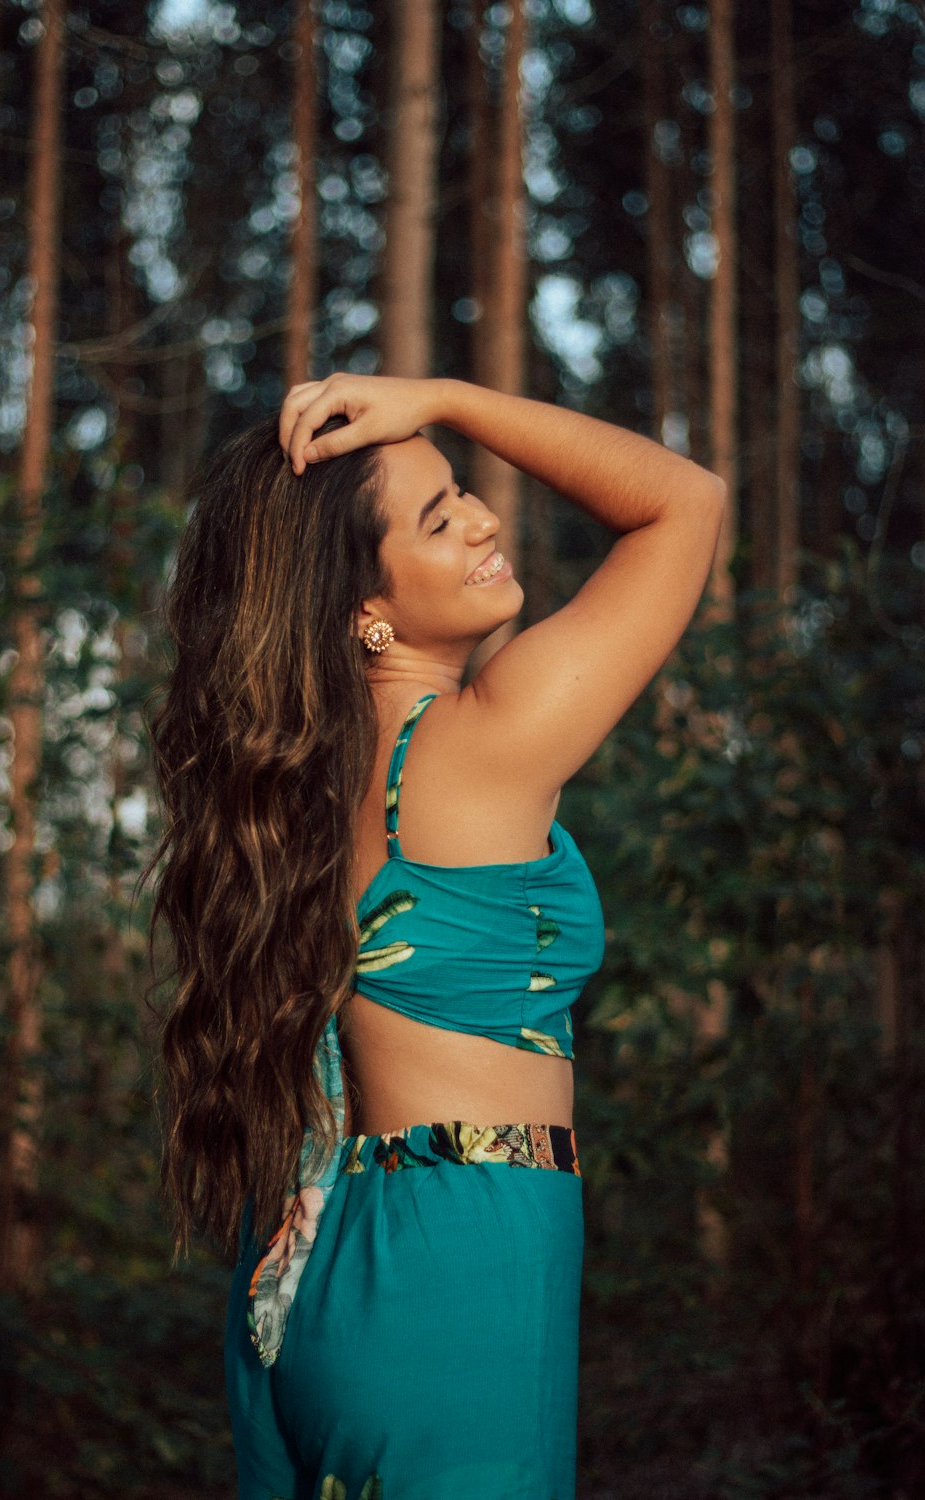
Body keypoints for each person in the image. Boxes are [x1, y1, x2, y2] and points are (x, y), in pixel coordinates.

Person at [146, 373, 725, 1500]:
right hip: (456, 1264)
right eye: (436, 516)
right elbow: (683, 501)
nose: (481, 519)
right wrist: (447, 396)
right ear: (367, 611)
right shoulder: (472, 749)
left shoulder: (294, 800)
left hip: (297, 1270)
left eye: (460, 492)